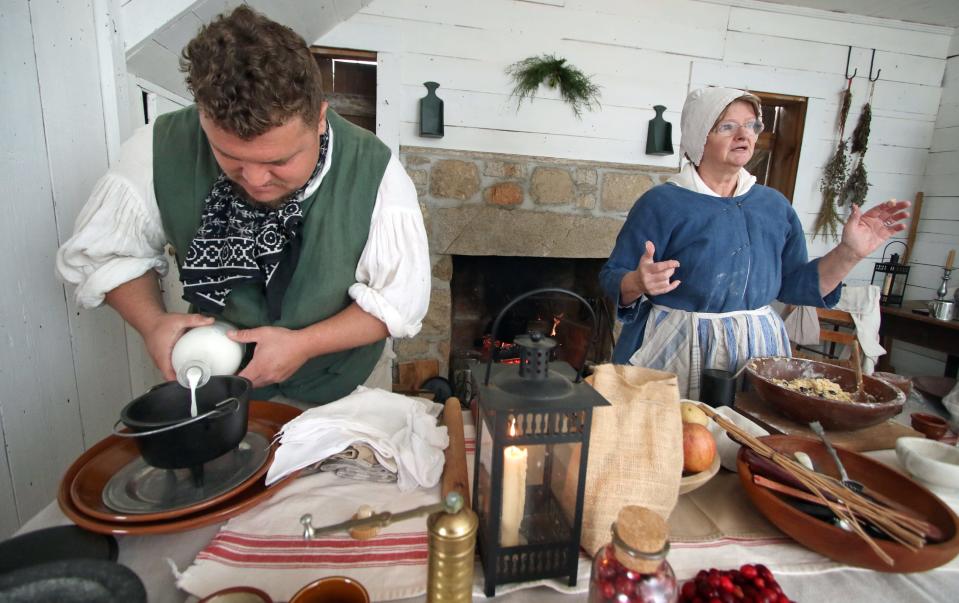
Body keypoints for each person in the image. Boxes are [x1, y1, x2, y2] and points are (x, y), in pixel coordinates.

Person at [56, 6, 430, 405]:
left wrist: (304, 344)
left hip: (340, 389)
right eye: (229, 156)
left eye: (278, 161)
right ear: (203, 118)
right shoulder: (156, 149)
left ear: (319, 119)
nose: (254, 180)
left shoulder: (376, 171)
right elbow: (107, 254)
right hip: (215, 387)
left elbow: (398, 300)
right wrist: (152, 323)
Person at [599, 87, 909, 399]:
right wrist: (637, 281)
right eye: (727, 126)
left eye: (751, 125)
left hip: (756, 347)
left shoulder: (774, 206)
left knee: (747, 437)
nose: (743, 135)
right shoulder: (662, 203)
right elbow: (613, 275)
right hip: (675, 344)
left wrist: (849, 253)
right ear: (699, 136)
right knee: (667, 436)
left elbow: (794, 286)